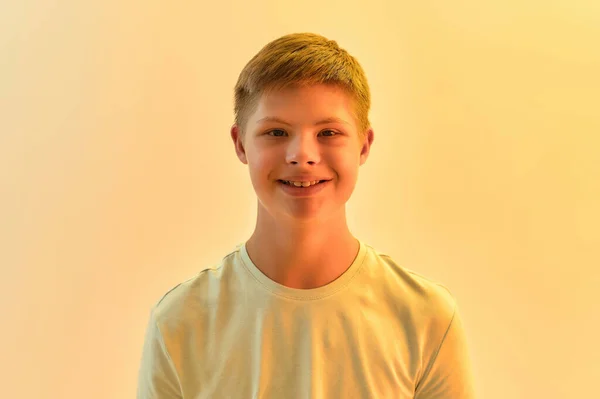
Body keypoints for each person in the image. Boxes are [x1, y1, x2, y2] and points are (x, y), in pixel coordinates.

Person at [137, 32, 476, 398]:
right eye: (276, 131)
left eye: (328, 132)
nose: (303, 154)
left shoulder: (426, 319)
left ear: (364, 145)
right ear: (240, 143)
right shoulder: (180, 323)